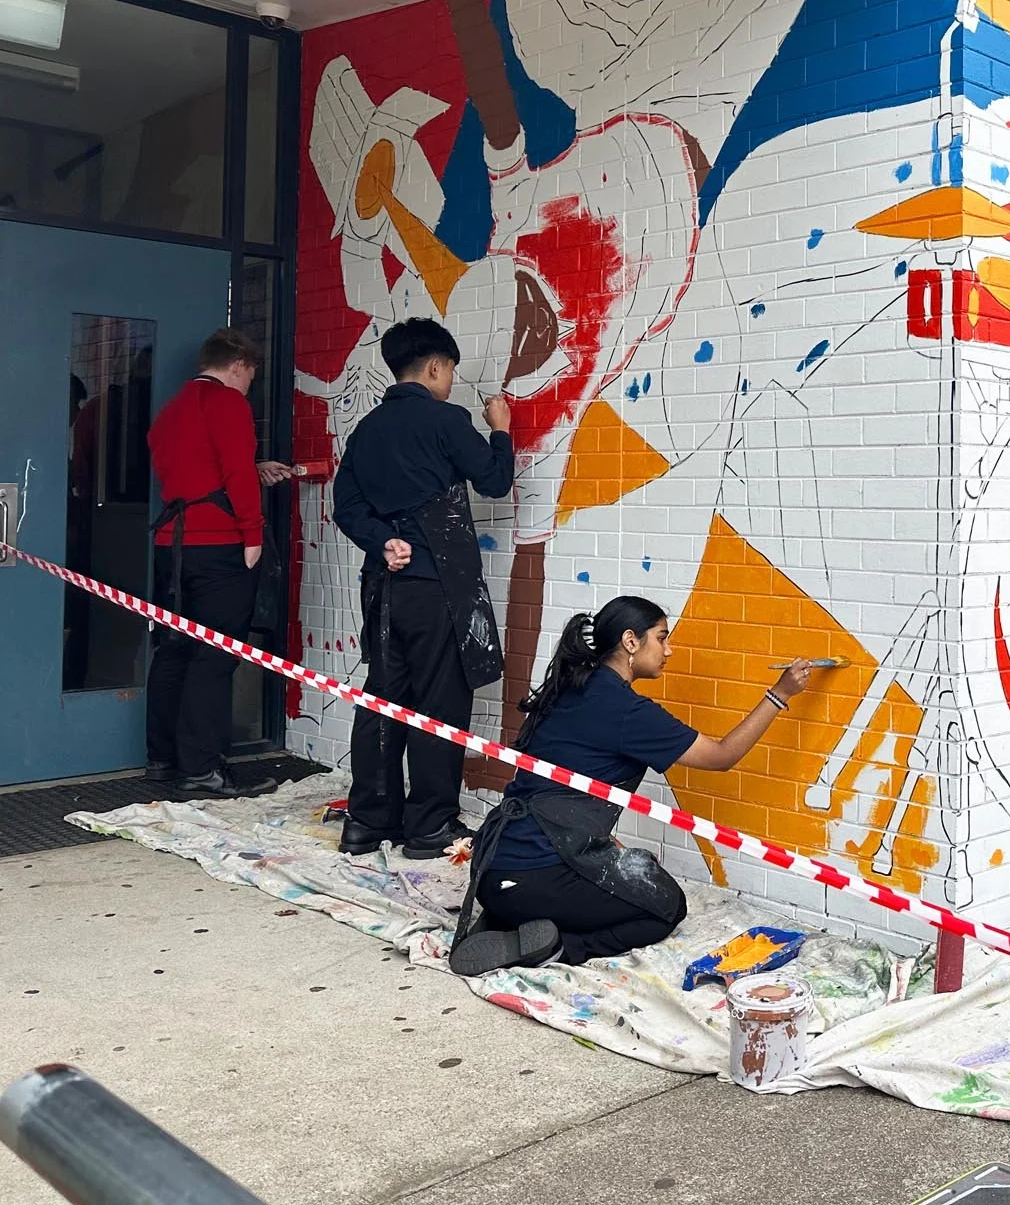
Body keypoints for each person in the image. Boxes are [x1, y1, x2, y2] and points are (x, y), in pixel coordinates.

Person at [448, 597, 819, 974]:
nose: (668, 650)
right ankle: (557, 947)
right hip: (535, 876)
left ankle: (506, 920)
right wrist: (780, 694)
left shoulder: (571, 684)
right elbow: (722, 756)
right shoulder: (627, 711)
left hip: (492, 866)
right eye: (661, 638)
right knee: (666, 906)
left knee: (637, 865)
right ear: (630, 641)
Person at [332, 318, 514, 859]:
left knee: (384, 699)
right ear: (435, 366)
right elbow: (494, 480)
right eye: (451, 370)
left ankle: (366, 822)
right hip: (438, 588)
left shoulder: (366, 430)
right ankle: (430, 825)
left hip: (384, 590)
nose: (451, 380)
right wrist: (500, 429)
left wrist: (383, 540)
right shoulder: (446, 421)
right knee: (439, 704)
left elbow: (347, 507)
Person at [146, 327, 293, 796]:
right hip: (218, 546)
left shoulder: (171, 410)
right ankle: (202, 767)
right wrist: (253, 534)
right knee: (215, 655)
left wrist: (251, 467)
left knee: (174, 650)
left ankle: (163, 758)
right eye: (251, 374)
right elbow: (233, 473)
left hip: (173, 544)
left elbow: (197, 468)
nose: (250, 384)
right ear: (239, 365)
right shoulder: (229, 403)